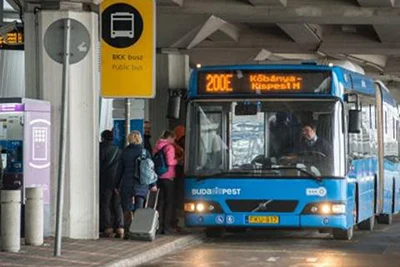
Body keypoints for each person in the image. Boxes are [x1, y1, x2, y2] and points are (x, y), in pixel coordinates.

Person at [118, 131, 157, 236]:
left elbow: (119, 170)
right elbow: (150, 170)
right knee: (139, 208)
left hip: (127, 183)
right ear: (140, 139)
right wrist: (153, 184)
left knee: (126, 207)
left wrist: (117, 185)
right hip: (141, 183)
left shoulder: (124, 152)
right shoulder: (145, 152)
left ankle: (127, 231)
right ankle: (137, 231)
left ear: (129, 139)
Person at [99, 130, 124, 238]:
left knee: (105, 204)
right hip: (118, 180)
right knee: (117, 204)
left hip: (105, 180)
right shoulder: (119, 150)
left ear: (103, 138)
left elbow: (99, 165)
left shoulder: (101, 149)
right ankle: (120, 228)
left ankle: (108, 228)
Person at [153, 130, 178, 234]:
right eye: (173, 139)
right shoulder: (169, 147)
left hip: (158, 176)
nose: (173, 141)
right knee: (169, 202)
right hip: (168, 177)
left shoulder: (156, 146)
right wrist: (178, 160)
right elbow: (170, 162)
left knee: (160, 202)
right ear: (170, 137)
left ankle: (158, 226)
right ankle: (167, 227)